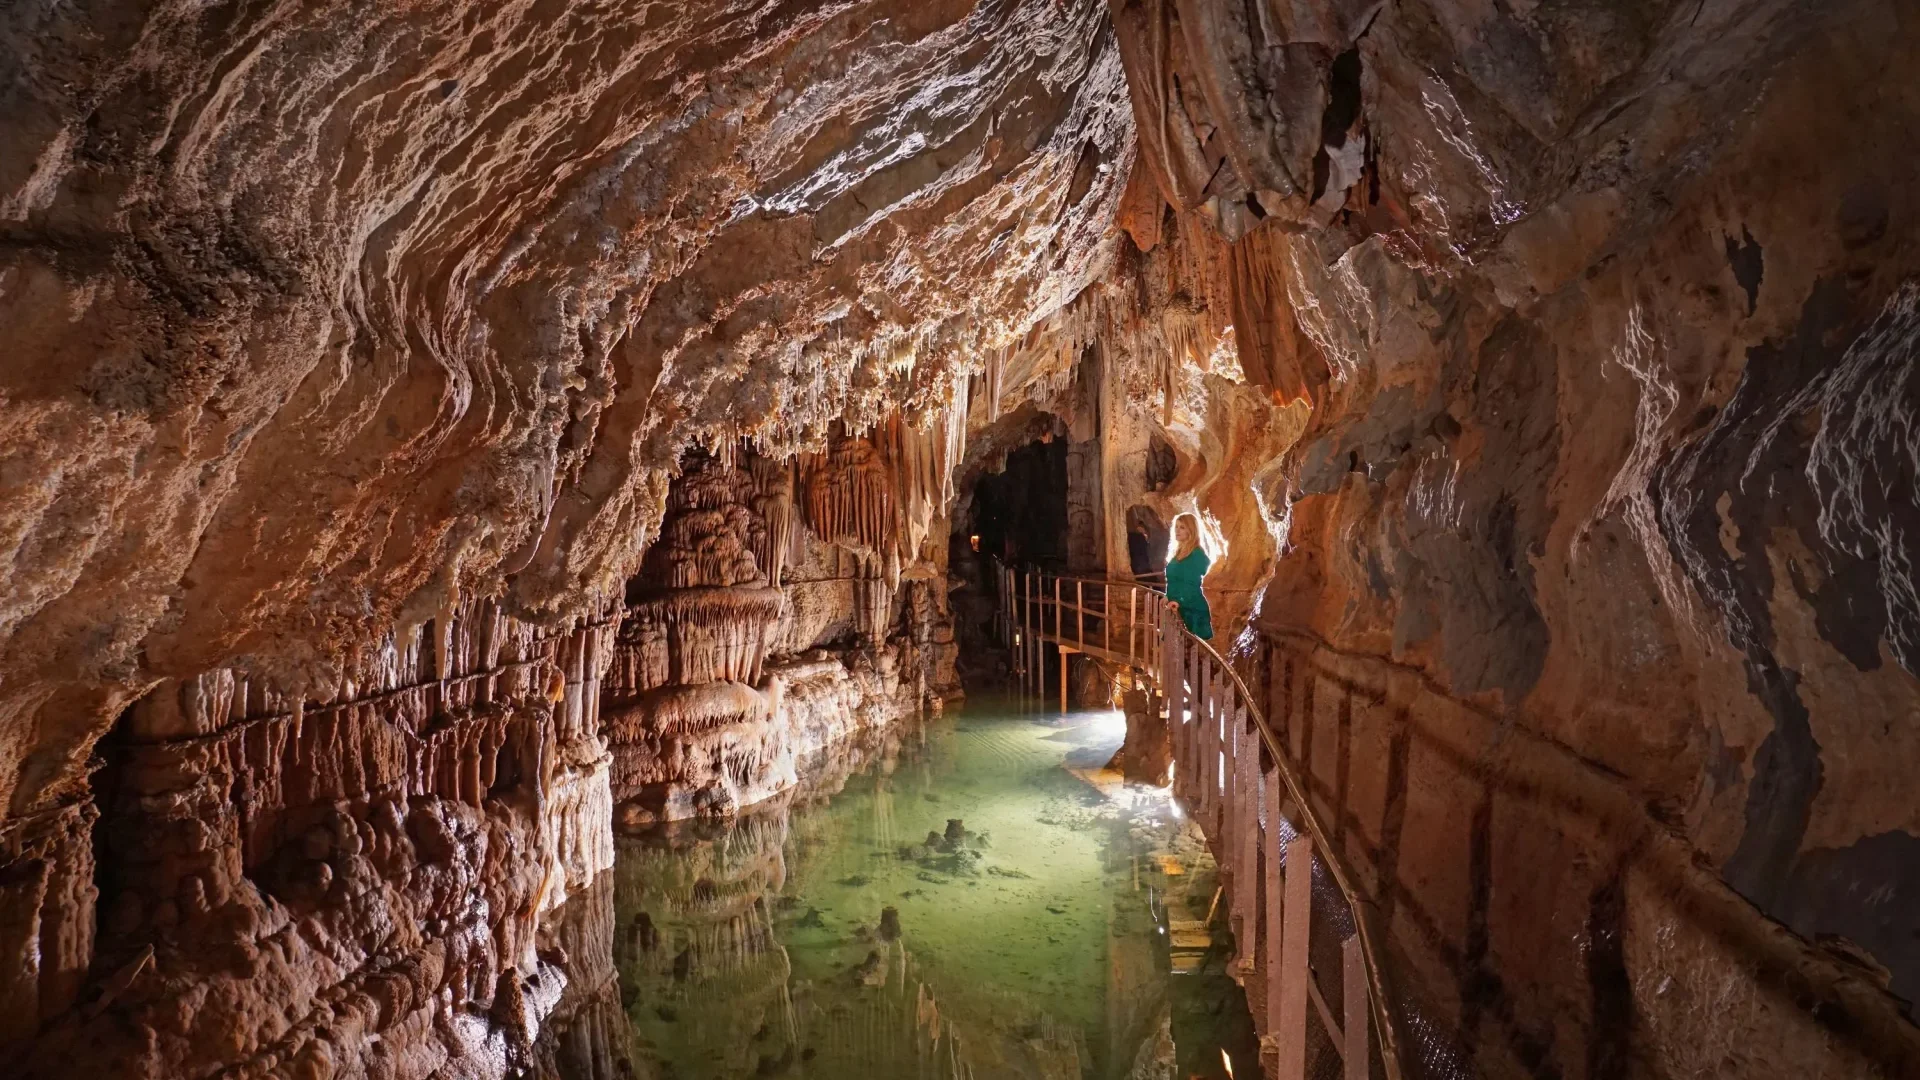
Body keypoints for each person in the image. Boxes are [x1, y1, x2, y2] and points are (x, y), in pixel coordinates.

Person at [1164, 513, 1213, 639]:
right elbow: (1174, 581)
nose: (1177, 530)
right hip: (1177, 607)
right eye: (1176, 527)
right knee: (1174, 651)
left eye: (1182, 527)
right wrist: (1167, 596)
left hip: (1192, 610)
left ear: (1191, 530)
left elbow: (1191, 583)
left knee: (1191, 652)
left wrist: (1178, 600)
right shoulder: (1177, 554)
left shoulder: (1197, 554)